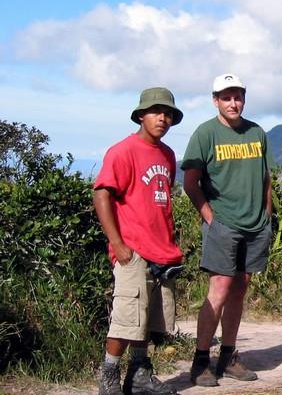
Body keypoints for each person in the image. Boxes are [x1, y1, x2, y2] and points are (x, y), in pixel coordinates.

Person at [181, 73, 272, 387]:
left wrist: (267, 216)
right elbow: (190, 183)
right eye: (226, 97)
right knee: (218, 291)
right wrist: (210, 217)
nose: (233, 103)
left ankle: (229, 356)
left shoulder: (257, 133)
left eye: (238, 96)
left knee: (239, 290)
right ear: (215, 100)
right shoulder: (205, 134)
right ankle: (201, 359)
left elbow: (265, 179)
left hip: (255, 225)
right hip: (223, 224)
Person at [93, 87, 184, 395]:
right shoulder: (122, 151)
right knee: (126, 318)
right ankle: (109, 377)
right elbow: (101, 193)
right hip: (132, 249)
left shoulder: (168, 155)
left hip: (161, 250)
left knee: (148, 319)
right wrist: (117, 243)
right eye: (157, 112)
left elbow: (159, 199)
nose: (163, 118)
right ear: (141, 115)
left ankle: (139, 375)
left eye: (168, 113)